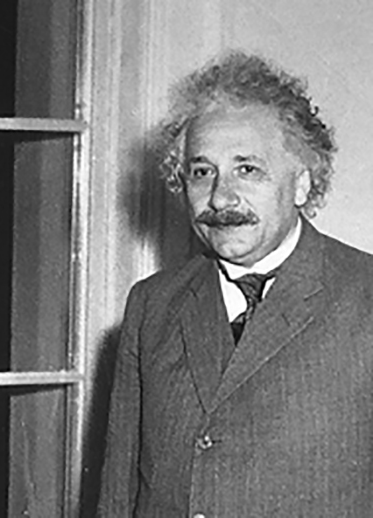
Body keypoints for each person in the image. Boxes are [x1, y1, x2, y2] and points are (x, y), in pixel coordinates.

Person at [99, 50, 373, 517]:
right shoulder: (153, 304)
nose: (221, 197)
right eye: (202, 172)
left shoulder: (363, 297)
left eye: (247, 169)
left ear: (302, 184)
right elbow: (118, 496)